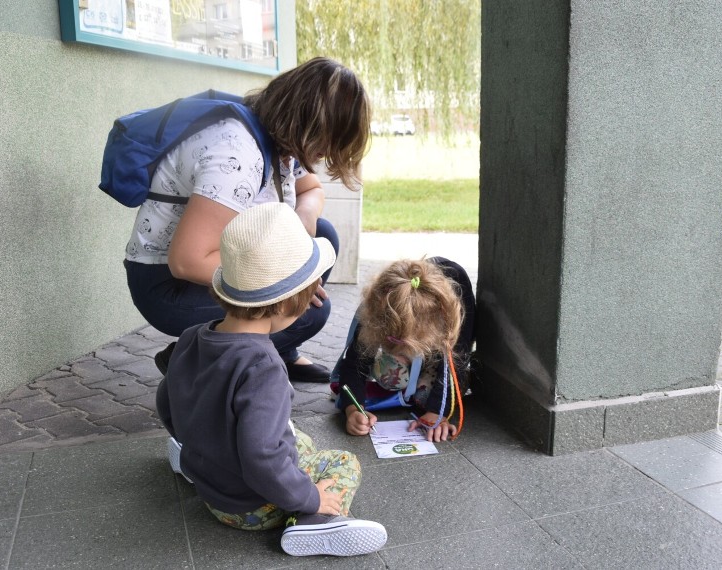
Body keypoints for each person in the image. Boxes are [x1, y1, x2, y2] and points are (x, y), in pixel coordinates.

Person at [155, 203, 388, 557]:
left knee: (297, 437)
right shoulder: (263, 367)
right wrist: (309, 496)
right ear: (283, 305)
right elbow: (261, 455)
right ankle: (313, 522)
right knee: (342, 462)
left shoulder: (191, 337)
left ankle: (187, 458)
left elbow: (166, 399)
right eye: (310, 293)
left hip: (210, 487)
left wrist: (194, 444)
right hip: (251, 507)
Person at [123, 57, 370, 383]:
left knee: (323, 235)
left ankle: (279, 352)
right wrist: (284, 285)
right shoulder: (237, 155)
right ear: (307, 123)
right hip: (168, 286)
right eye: (328, 142)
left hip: (209, 262)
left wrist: (303, 217)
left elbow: (311, 190)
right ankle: (194, 360)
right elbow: (185, 262)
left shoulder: (276, 135)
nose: (327, 155)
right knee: (307, 314)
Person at [333, 257, 476, 442]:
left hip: (440, 344)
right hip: (410, 331)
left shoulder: (449, 314)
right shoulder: (377, 308)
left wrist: (437, 412)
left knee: (426, 398)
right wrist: (353, 409)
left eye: (406, 350)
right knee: (390, 377)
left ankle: (420, 373)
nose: (402, 355)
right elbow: (352, 364)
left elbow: (456, 362)